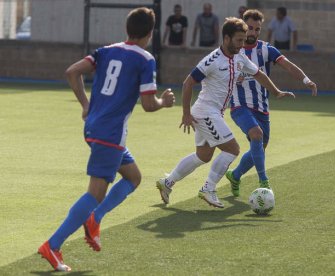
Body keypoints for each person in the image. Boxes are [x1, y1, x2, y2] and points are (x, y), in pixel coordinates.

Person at [37, 8, 175, 272]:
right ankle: (53, 245)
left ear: (127, 29)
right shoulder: (146, 59)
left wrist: (85, 104)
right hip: (110, 135)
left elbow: (72, 71)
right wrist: (164, 103)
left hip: (95, 128)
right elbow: (148, 104)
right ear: (150, 32)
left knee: (133, 177)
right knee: (95, 194)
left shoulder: (106, 50)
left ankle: (95, 218)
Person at [156, 17, 295, 208]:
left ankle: (167, 182)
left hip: (213, 113)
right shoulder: (212, 60)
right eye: (239, 40)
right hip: (206, 112)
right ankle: (208, 188)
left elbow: (259, 74)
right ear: (227, 38)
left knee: (203, 156)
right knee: (233, 149)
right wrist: (185, 114)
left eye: (244, 39)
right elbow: (188, 83)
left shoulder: (239, 57)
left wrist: (276, 91)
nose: (242, 43)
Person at [225, 9, 317, 196]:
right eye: (250, 28)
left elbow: (289, 65)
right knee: (256, 135)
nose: (253, 32)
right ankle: (264, 181)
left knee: (259, 148)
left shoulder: (266, 49)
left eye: (257, 29)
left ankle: (235, 176)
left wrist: (306, 80)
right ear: (243, 27)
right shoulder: (234, 50)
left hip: (262, 107)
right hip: (239, 106)